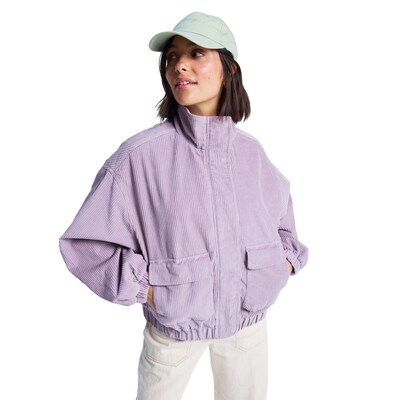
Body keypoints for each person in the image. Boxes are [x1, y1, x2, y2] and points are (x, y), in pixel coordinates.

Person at [59, 11, 309, 400]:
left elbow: (283, 224)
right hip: (175, 331)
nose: (179, 65)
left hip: (247, 326)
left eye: (196, 53)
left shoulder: (251, 153)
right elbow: (85, 245)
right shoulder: (140, 156)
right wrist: (150, 290)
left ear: (228, 70)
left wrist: (278, 268)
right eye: (173, 57)